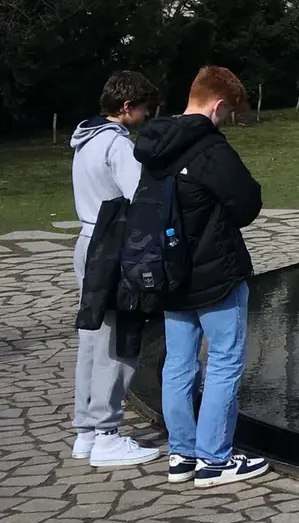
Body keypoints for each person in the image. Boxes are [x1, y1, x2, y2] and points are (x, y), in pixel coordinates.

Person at [134, 65, 269, 489]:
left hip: (170, 272)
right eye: (228, 113)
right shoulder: (210, 149)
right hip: (213, 272)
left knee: (178, 363)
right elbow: (247, 202)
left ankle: (182, 454)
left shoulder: (155, 146)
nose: (226, 120)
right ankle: (215, 459)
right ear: (218, 104)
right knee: (225, 361)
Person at [68, 71, 164, 469]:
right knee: (117, 339)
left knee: (91, 339)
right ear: (127, 107)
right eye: (143, 108)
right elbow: (139, 198)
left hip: (88, 241)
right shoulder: (117, 146)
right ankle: (107, 432)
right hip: (113, 245)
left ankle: (86, 431)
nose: (145, 116)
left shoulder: (84, 139)